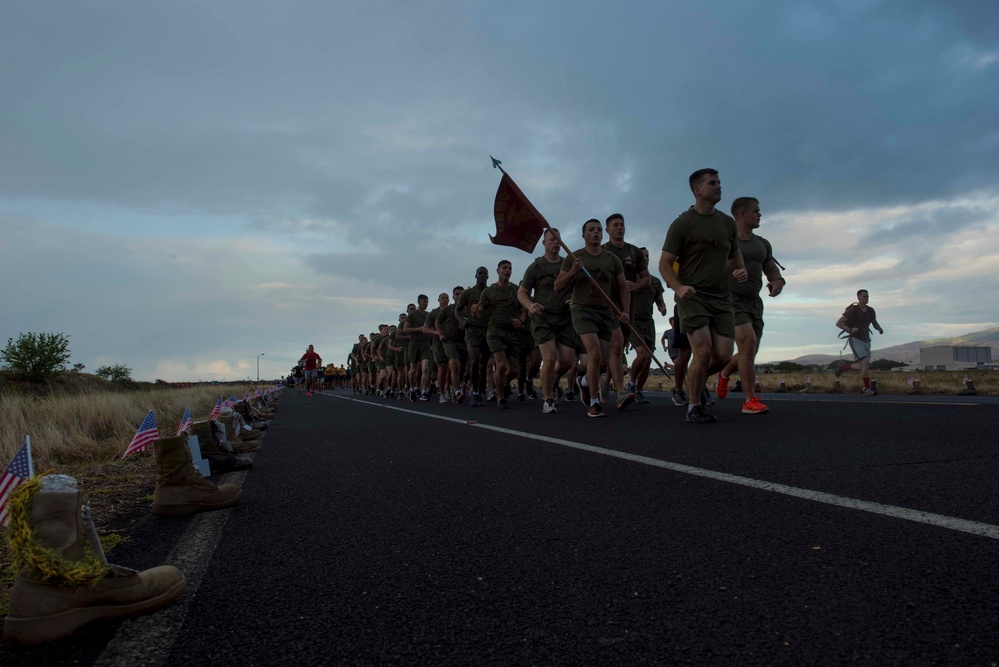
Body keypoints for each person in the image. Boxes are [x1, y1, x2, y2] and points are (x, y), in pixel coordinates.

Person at [659, 168, 747, 423]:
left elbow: (734, 254)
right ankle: (694, 406)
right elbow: (665, 263)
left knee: (722, 355)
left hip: (721, 297)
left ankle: (693, 382)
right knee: (703, 350)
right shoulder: (683, 224)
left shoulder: (726, 223)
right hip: (693, 296)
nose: (718, 186)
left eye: (719, 182)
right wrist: (677, 287)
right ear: (697, 190)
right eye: (712, 183)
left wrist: (739, 270)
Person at [715, 197, 786, 414]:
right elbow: (707, 268)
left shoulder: (762, 243)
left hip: (755, 302)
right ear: (741, 214)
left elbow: (772, 269)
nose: (760, 215)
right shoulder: (724, 240)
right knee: (748, 343)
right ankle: (749, 400)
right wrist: (730, 271)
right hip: (731, 301)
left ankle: (724, 373)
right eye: (756, 211)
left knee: (750, 351)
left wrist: (777, 282)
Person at [554, 219, 631, 418]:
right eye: (591, 229)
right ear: (584, 235)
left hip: (605, 311)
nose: (595, 232)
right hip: (582, 309)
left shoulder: (611, 258)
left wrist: (626, 310)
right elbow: (558, 286)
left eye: (598, 229)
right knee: (594, 353)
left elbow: (623, 286)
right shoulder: (574, 257)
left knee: (604, 360)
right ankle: (595, 404)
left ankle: (585, 382)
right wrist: (573, 271)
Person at [518, 227, 577, 414]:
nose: (556, 242)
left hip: (565, 318)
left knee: (567, 361)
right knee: (549, 358)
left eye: (559, 239)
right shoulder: (537, 266)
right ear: (544, 243)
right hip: (543, 317)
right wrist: (530, 305)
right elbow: (522, 292)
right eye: (552, 239)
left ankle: (552, 380)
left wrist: (574, 299)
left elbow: (579, 287)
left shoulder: (569, 264)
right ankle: (548, 399)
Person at [477, 260, 526, 409]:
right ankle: (500, 398)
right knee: (502, 365)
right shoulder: (489, 291)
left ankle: (503, 383)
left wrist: (520, 321)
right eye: (504, 268)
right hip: (495, 331)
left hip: (511, 332)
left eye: (510, 268)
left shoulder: (517, 291)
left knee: (515, 369)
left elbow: (524, 310)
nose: (507, 271)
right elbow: (480, 311)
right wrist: (475, 310)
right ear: (498, 271)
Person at [628, 247, 669, 403]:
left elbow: (659, 299)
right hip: (633, 321)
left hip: (649, 322)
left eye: (647, 256)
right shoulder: (630, 278)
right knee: (642, 355)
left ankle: (638, 390)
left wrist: (662, 307)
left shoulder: (655, 281)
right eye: (642, 256)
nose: (645, 258)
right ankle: (631, 383)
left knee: (648, 360)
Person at [835, 289, 884, 394]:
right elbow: (839, 323)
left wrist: (879, 329)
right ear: (859, 298)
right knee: (865, 363)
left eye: (868, 297)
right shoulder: (853, 310)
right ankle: (867, 388)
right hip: (856, 339)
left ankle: (844, 366)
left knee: (863, 366)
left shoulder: (870, 310)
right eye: (864, 297)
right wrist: (850, 329)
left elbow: (874, 322)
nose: (867, 299)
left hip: (866, 339)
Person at [456, 267, 491, 407]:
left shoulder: (490, 292)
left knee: (483, 364)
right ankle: (475, 393)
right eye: (480, 274)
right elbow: (457, 310)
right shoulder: (468, 293)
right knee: (474, 360)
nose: (482, 276)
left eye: (485, 274)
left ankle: (473, 386)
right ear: (475, 276)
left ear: (488, 276)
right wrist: (462, 321)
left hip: (488, 331)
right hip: (472, 331)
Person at [404, 295, 432, 401]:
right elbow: (405, 329)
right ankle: (412, 388)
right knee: (413, 369)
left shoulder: (428, 315)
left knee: (425, 368)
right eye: (424, 301)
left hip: (424, 343)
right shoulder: (412, 315)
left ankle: (424, 390)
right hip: (414, 343)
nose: (426, 303)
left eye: (427, 302)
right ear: (419, 303)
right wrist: (418, 329)